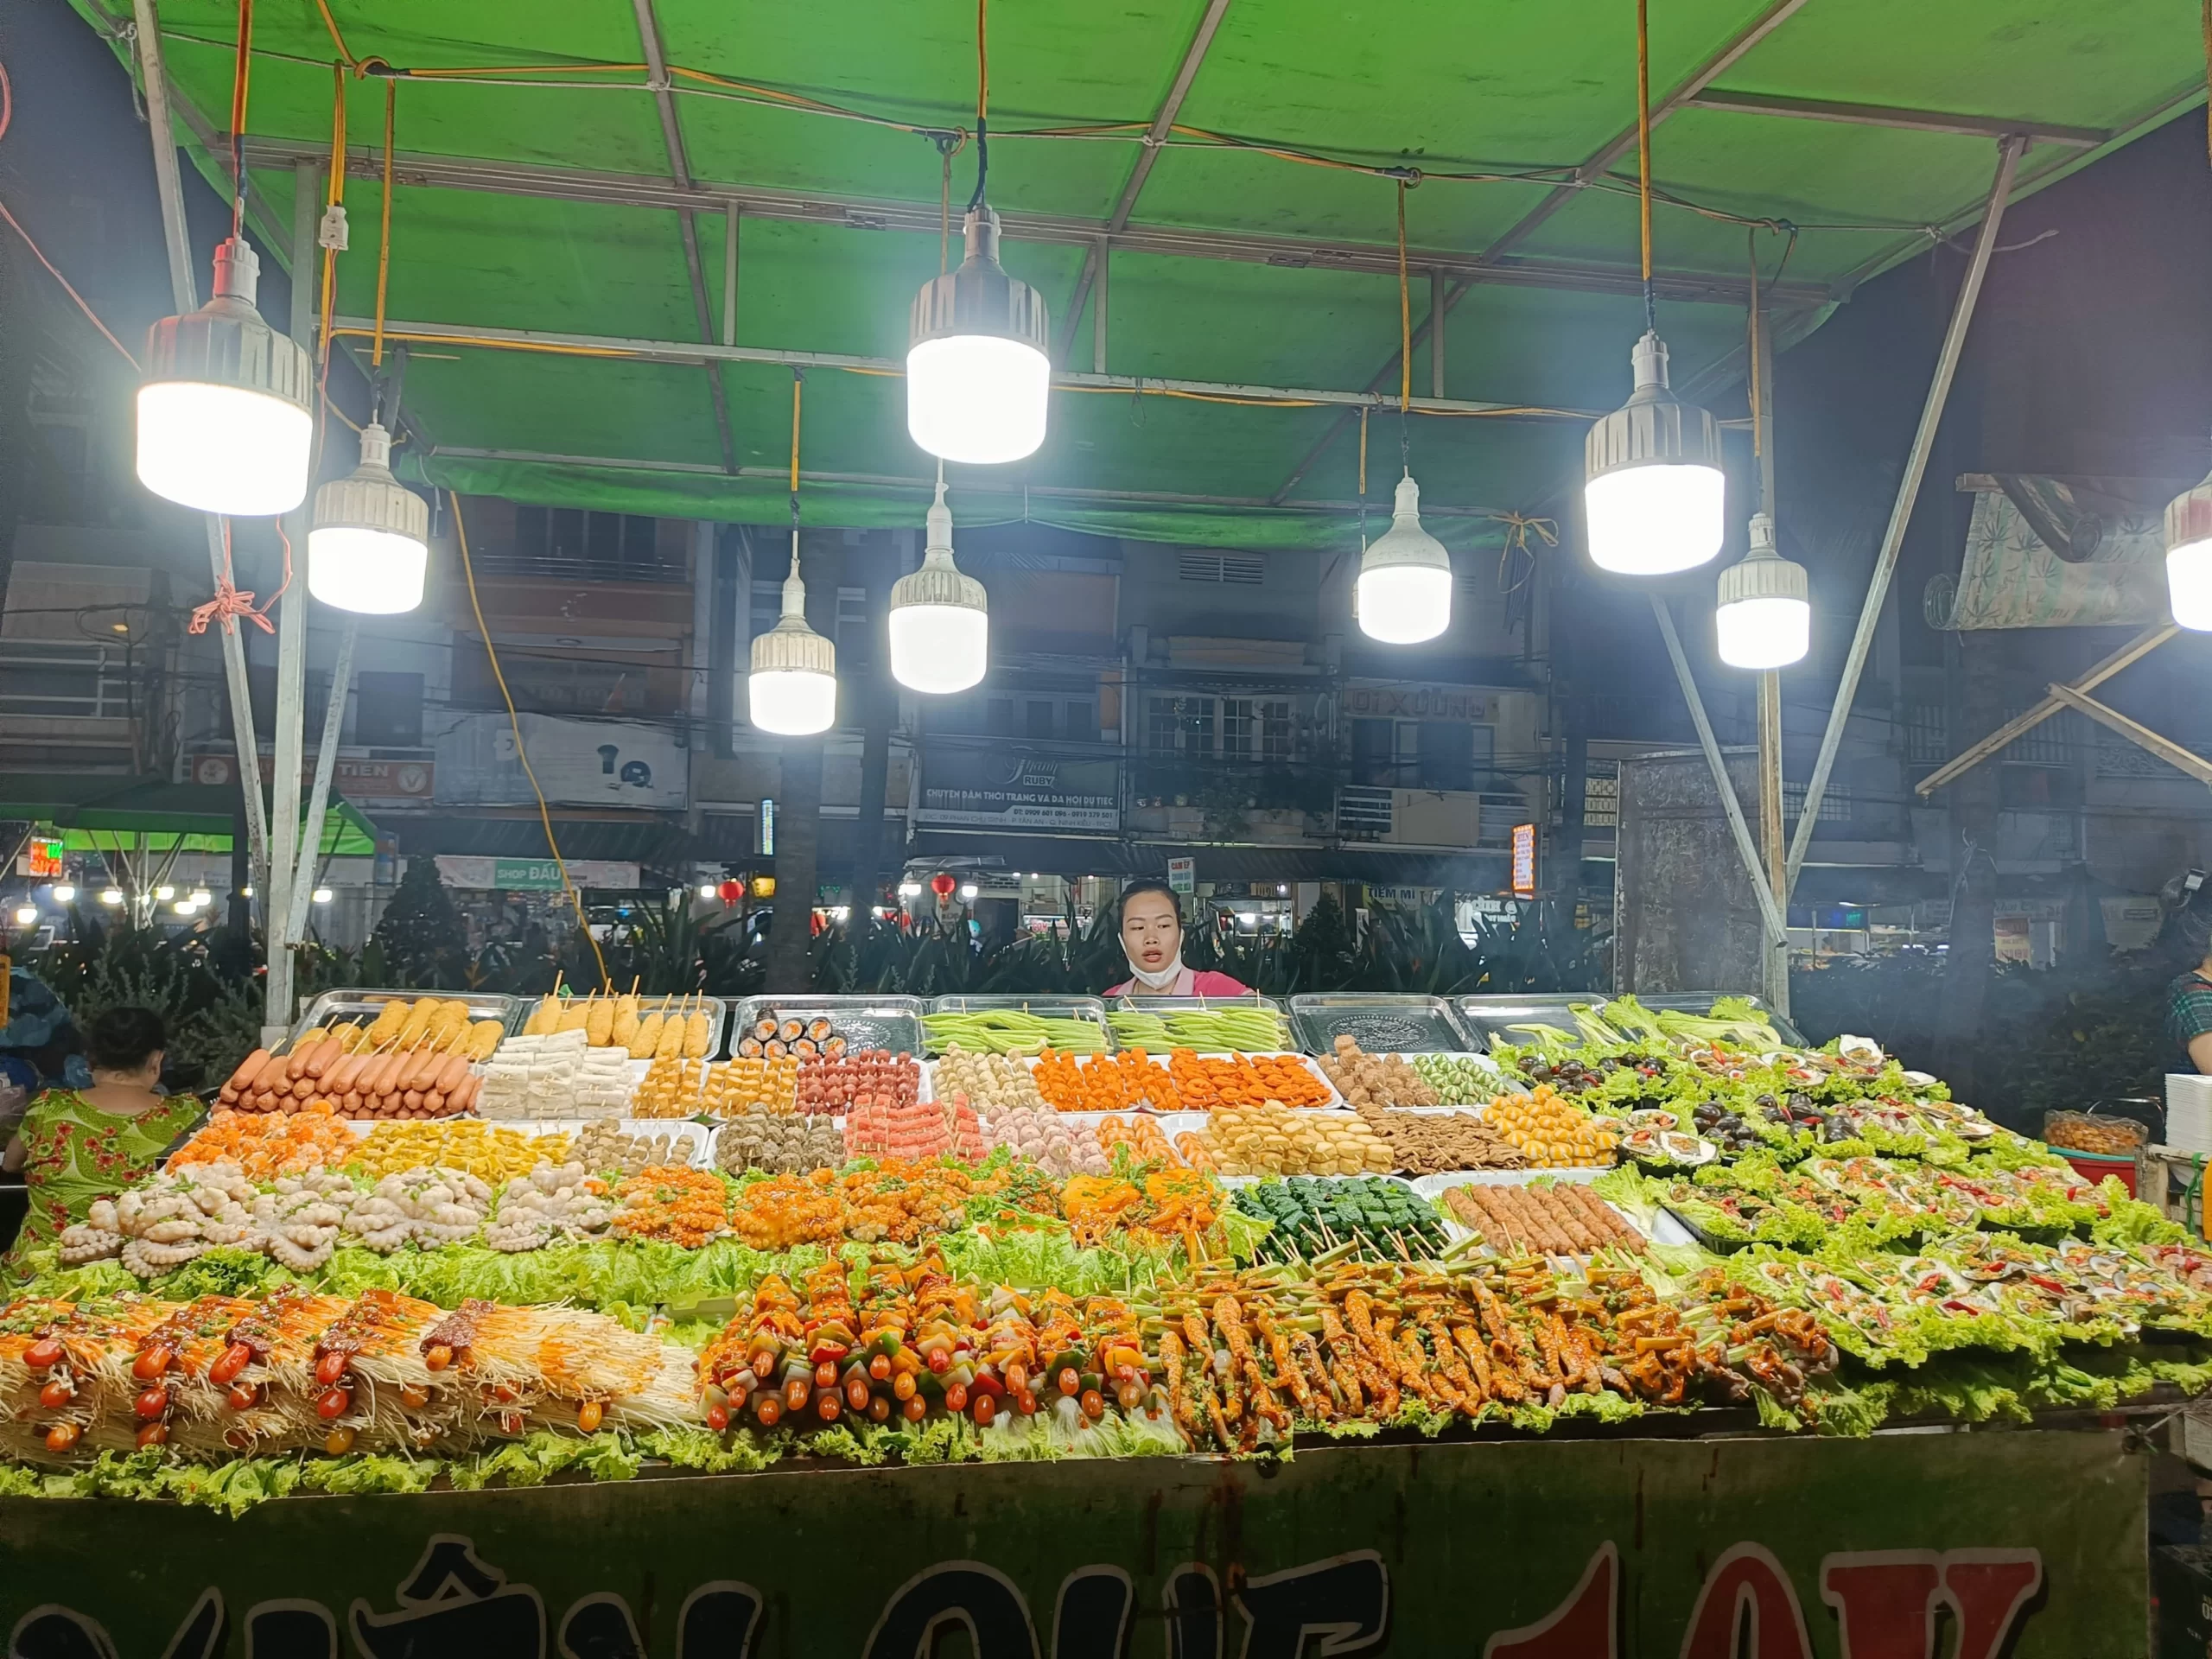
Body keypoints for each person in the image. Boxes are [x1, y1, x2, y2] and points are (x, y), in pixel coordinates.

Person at [0, 1007, 205, 1278]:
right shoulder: (188, 1116)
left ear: (90, 1060)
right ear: (156, 1060)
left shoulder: (49, 1108)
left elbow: (11, 1164)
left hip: (36, 1277)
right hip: (139, 1278)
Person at [1103, 879, 1252, 998]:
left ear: (1181, 933)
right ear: (1122, 939)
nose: (1151, 938)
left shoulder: (1220, 990)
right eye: (1137, 927)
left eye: (1163, 925)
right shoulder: (1110, 1002)